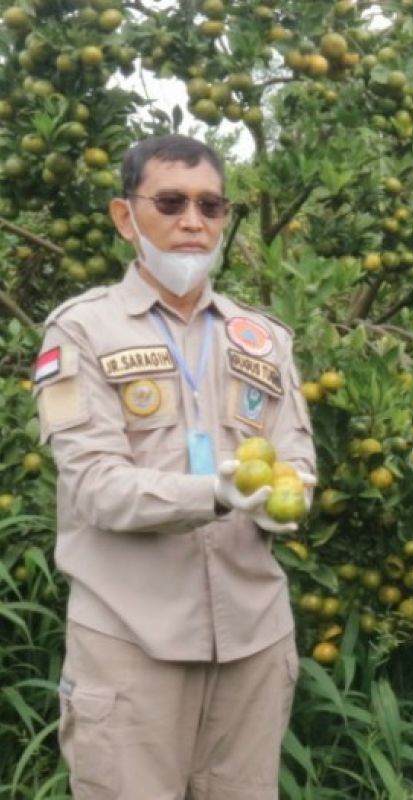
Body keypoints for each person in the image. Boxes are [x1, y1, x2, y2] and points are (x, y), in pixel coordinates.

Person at [33, 134, 316, 798]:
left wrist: (295, 492)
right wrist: (212, 493)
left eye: (211, 206)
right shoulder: (81, 331)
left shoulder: (263, 337)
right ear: (125, 216)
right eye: (170, 201)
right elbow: (97, 487)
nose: (193, 221)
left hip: (253, 639)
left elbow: (297, 458)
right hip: (131, 642)